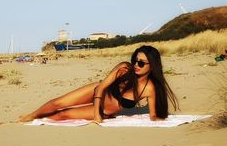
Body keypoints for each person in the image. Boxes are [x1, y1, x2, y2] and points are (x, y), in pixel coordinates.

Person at [19, 45, 179, 123]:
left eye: (142, 63)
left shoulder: (149, 88)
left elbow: (153, 115)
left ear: (152, 66)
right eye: (135, 60)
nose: (137, 65)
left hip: (105, 110)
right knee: (58, 103)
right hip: (96, 92)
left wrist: (158, 119)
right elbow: (102, 87)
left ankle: (40, 121)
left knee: (64, 114)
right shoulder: (124, 68)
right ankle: (31, 115)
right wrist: (96, 116)